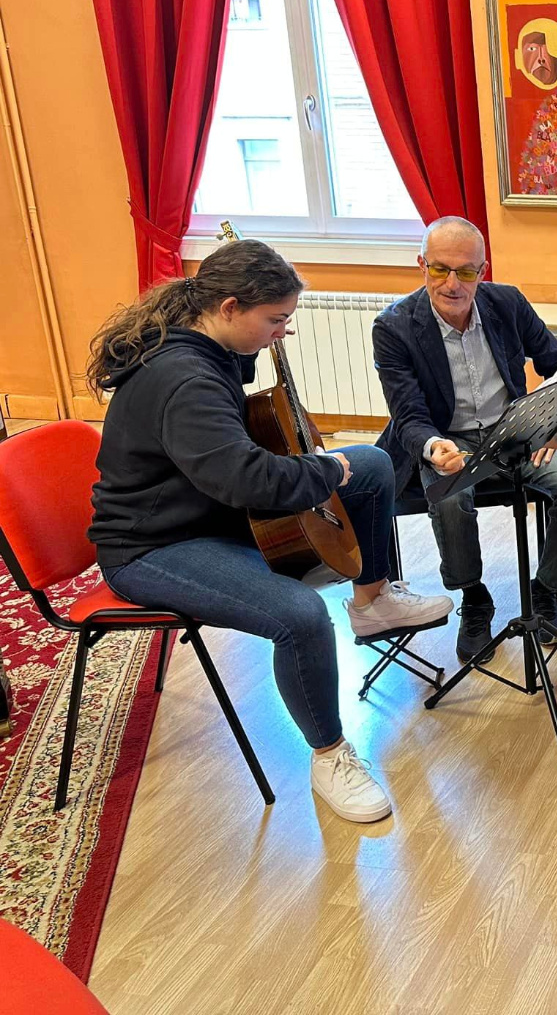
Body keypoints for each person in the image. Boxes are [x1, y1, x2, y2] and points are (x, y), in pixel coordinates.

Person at [88, 238, 453, 824]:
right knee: (300, 615)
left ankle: (373, 599)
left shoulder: (205, 347)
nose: (283, 330)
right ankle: (330, 755)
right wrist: (325, 470)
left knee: (374, 463)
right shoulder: (185, 380)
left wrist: (328, 464)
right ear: (229, 307)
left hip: (207, 512)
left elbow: (238, 460)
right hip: (154, 545)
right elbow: (247, 481)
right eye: (275, 319)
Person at [373, 216, 557, 664]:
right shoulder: (394, 327)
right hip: (447, 436)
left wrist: (556, 424)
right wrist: (433, 447)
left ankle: (546, 590)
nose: (452, 283)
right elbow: (409, 415)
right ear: (422, 265)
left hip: (515, 430)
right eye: (440, 269)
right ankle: (474, 598)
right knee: (450, 498)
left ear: (482, 270)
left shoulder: (507, 303)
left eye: (466, 271)